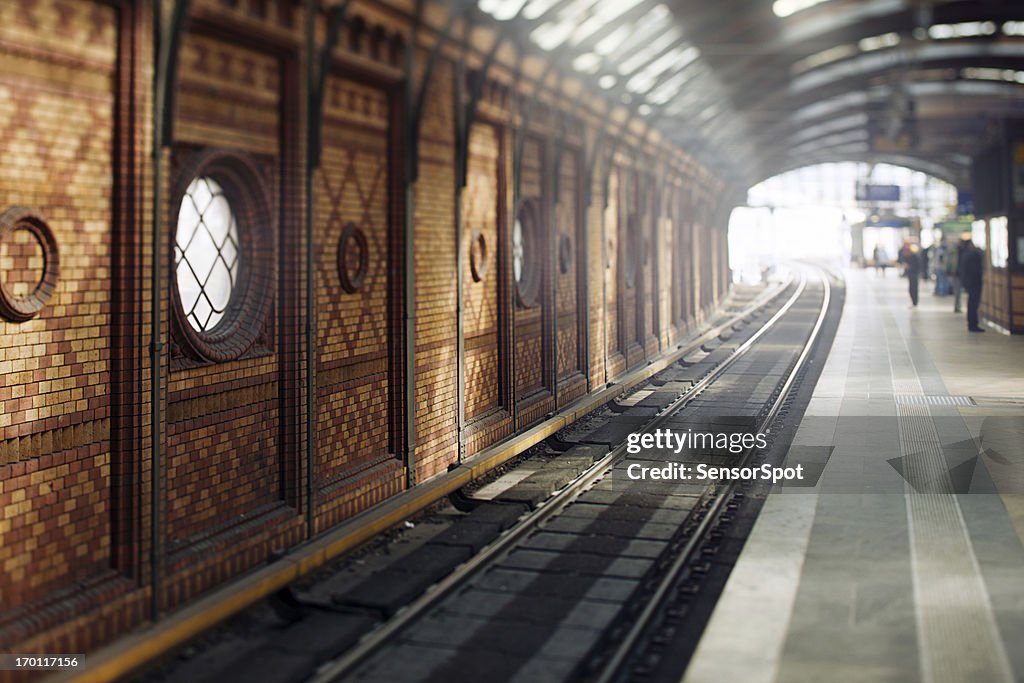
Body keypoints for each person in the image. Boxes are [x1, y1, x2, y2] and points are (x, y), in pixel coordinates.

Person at [958, 238, 984, 332]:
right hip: (975, 283)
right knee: (974, 304)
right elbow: (975, 271)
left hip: (969, 283)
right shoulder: (973, 255)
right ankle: (973, 324)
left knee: (971, 304)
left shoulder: (964, 255)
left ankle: (972, 323)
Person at [897, 240, 922, 306]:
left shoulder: (914, 255)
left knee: (914, 288)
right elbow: (900, 260)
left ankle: (915, 302)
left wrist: (910, 267)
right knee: (911, 288)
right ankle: (913, 302)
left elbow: (918, 265)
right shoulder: (905, 254)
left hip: (915, 273)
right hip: (910, 274)